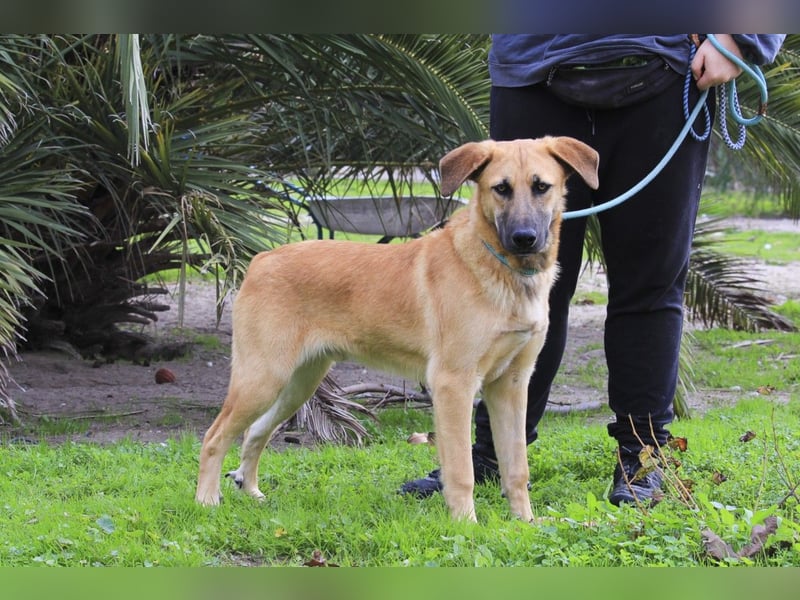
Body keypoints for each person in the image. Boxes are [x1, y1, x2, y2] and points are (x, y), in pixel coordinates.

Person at [400, 34, 786, 506]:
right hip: (534, 72)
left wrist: (742, 36)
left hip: (663, 76)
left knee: (651, 283)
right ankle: (488, 458)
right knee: (522, 287)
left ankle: (643, 457)